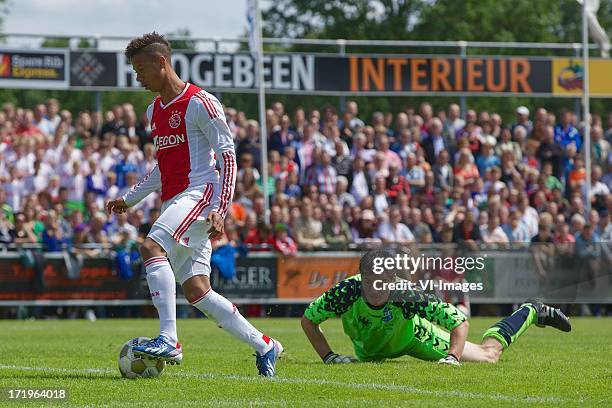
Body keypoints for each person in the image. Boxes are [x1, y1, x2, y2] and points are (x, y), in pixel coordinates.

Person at [105, 32, 282, 377]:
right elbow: (163, 167)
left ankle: (168, 338)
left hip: (201, 194)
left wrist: (222, 207)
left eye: (141, 69)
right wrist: (129, 199)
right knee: (197, 290)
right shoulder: (153, 110)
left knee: (151, 246)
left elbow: (228, 156)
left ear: (162, 62)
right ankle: (265, 345)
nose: (137, 77)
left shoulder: (201, 102)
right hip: (178, 198)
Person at [301, 249, 571, 365]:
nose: (376, 289)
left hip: (414, 338)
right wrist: (329, 357)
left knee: (488, 356)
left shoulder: (405, 294)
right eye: (370, 282)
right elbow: (308, 320)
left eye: (383, 282)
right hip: (371, 351)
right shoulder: (345, 292)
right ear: (361, 277)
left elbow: (458, 322)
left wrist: (452, 357)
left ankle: (531, 310)